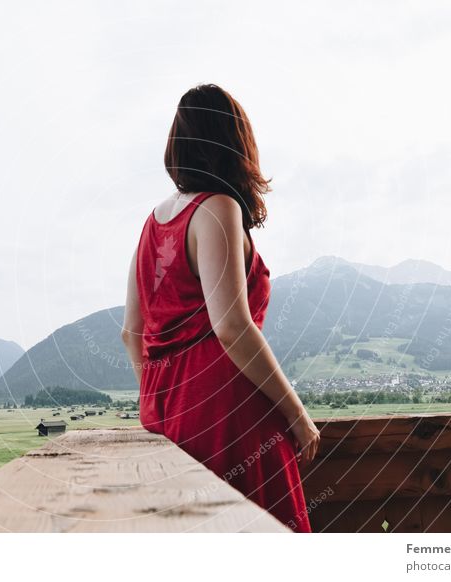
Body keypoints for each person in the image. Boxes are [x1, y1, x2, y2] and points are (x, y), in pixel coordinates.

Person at [121, 83, 320, 532]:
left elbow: (131, 332)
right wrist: (297, 415)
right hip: (229, 413)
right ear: (236, 142)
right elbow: (232, 325)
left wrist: (164, 399)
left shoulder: (153, 222)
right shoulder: (219, 208)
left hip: (167, 411)